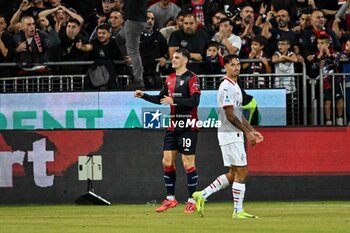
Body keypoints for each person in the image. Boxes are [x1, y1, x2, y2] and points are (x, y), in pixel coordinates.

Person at [192, 54, 263, 218]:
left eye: (238, 64)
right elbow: (230, 115)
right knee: (242, 171)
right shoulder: (226, 87)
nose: (236, 67)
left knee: (233, 173)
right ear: (226, 67)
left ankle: (202, 195)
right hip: (229, 134)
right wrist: (247, 133)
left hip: (232, 134)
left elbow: (238, 114)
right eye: (232, 64)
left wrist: (251, 129)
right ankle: (238, 211)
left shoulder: (235, 86)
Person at [134, 48, 201, 214]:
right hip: (173, 127)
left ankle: (192, 200)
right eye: (173, 57)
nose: (174, 60)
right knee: (167, 160)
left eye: (177, 57)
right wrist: (144, 95)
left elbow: (195, 101)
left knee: (188, 163)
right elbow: (160, 98)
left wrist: (175, 100)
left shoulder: (192, 78)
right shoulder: (170, 79)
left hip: (188, 126)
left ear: (185, 60)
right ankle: (171, 198)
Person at [309, 35, 344, 125]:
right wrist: (319, 58)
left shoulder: (334, 53)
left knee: (339, 98)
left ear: (328, 44)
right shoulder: (315, 55)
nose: (320, 45)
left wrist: (329, 55)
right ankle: (328, 121)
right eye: (318, 43)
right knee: (327, 101)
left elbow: (338, 63)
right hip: (324, 82)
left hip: (336, 79)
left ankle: (340, 119)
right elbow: (312, 70)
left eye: (322, 43)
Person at [120, 0, 147, 90]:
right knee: (119, 38)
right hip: (138, 19)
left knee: (134, 51)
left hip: (133, 20)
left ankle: (138, 80)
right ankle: (126, 58)